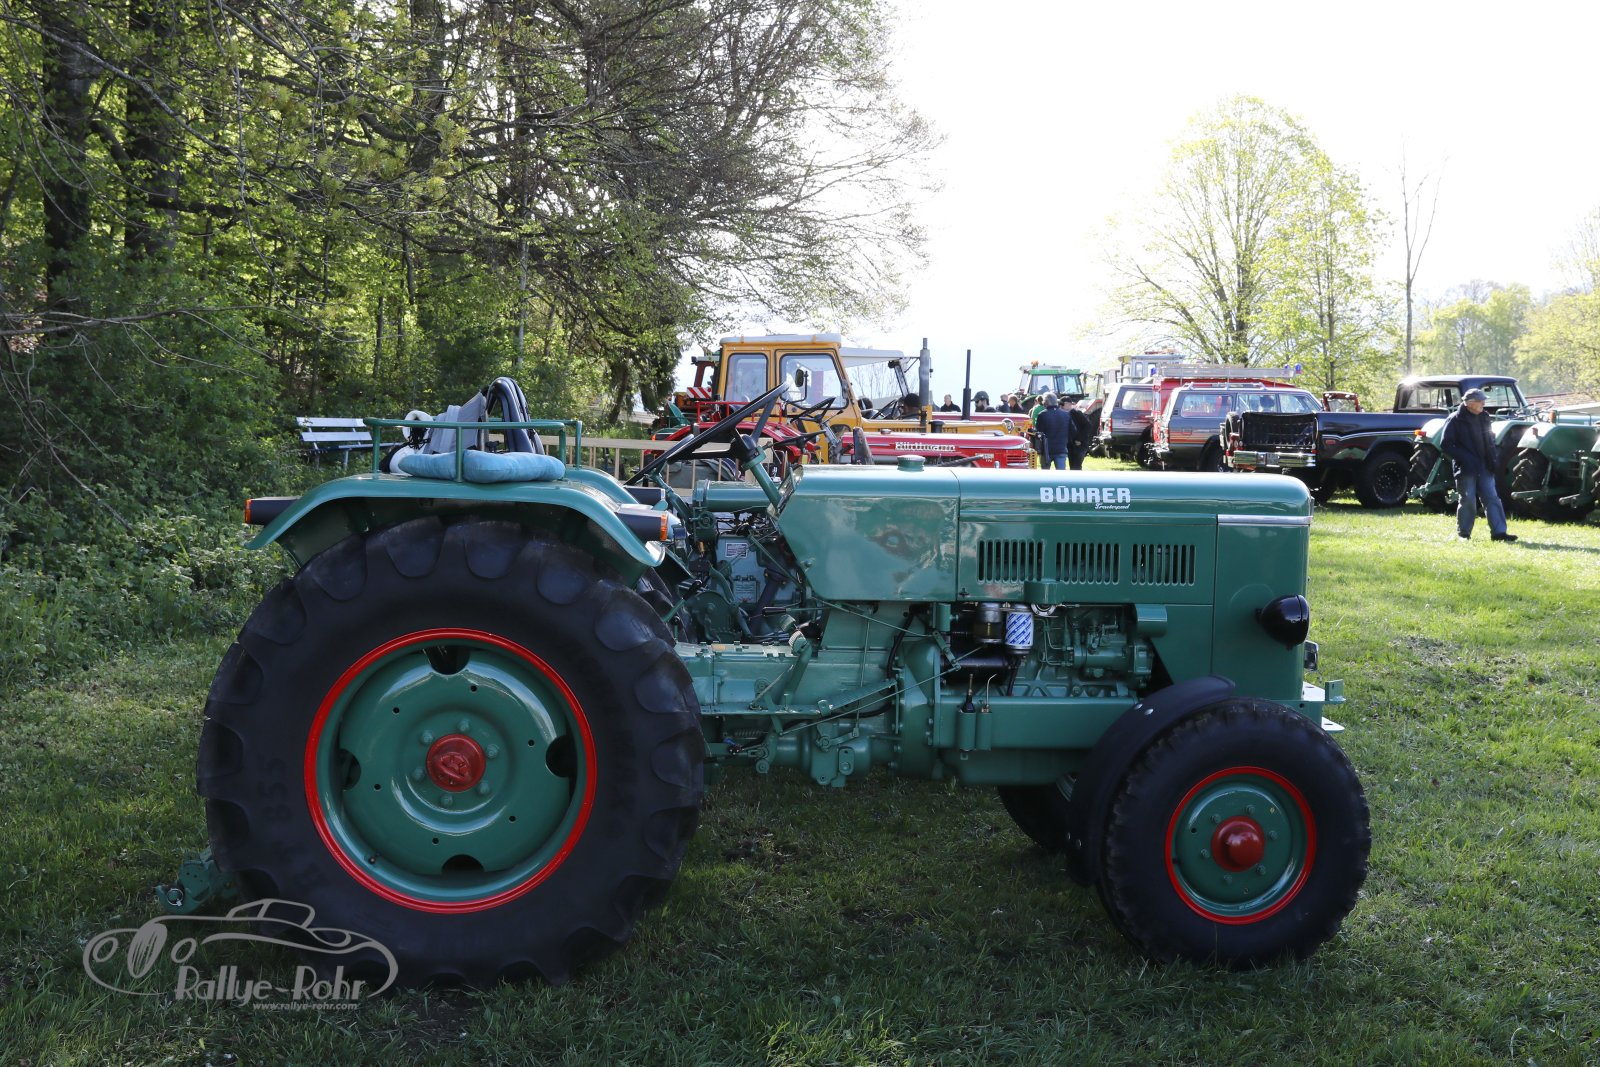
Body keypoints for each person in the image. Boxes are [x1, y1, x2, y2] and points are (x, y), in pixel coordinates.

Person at [1441, 388, 1517, 542]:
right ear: (1470, 403)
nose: (1483, 403)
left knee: (1492, 498)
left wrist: (1493, 460)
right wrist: (1466, 459)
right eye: (1480, 401)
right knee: (1468, 500)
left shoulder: (1484, 417)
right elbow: (1446, 445)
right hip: (1466, 468)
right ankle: (1464, 534)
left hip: (1485, 467)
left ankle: (1499, 533)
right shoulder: (1454, 419)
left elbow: (1490, 440)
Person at [1033, 392, 1074, 470]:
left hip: (1046, 450)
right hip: (1061, 449)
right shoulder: (1066, 415)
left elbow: (1039, 433)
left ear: (1046, 402)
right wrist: (1066, 440)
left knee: (1045, 474)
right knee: (1061, 475)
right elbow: (1073, 431)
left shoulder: (1042, 415)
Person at [1061, 395, 1093, 470]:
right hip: (1070, 444)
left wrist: (1079, 439)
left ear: (1067, 404)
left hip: (1079, 445)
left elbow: (1088, 426)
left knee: (1076, 466)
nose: (1060, 407)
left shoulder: (1077, 413)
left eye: (1062, 404)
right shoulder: (1063, 415)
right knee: (1072, 465)